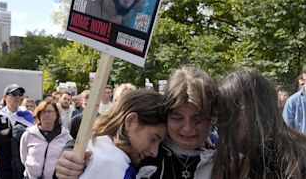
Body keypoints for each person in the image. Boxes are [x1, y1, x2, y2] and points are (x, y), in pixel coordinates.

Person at [55, 65, 218, 179]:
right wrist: (68, 157)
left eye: (199, 118)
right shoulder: (141, 152)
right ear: (166, 114)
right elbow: (104, 143)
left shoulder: (225, 157)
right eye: (177, 117)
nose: (188, 128)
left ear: (212, 115)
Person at [214, 67, 306, 179]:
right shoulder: (251, 158)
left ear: (251, 112)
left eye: (226, 112)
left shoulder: (303, 165)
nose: (219, 125)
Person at [79, 89, 167, 178]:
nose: (154, 152)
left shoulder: (98, 145)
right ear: (131, 121)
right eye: (153, 139)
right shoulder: (114, 166)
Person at [0, 84, 34, 179]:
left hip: (23, 164)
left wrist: (3, 133)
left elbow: (33, 137)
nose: (17, 97)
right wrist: (12, 131)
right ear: (5, 97)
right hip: (4, 164)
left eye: (20, 94)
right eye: (14, 94)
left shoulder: (26, 115)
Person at [20, 101, 72, 179]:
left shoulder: (66, 136)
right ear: (39, 114)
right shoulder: (29, 134)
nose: (46, 115)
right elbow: (23, 158)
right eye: (43, 112)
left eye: (49, 111)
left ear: (56, 114)